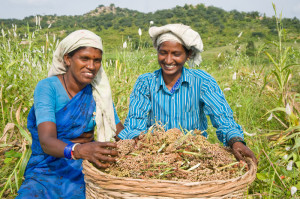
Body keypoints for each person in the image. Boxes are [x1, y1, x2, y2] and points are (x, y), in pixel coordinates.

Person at [117, 24, 257, 164]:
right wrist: (137, 142)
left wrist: (236, 141)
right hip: (155, 156)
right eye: (163, 52)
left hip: (193, 155)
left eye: (176, 54)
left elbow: (223, 117)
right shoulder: (146, 83)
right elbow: (135, 123)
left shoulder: (202, 81)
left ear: (188, 55)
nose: (168, 60)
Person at [17, 30, 124, 198]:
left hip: (85, 167)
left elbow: (118, 130)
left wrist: (143, 145)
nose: (91, 66)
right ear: (67, 59)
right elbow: (46, 141)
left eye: (97, 61)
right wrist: (79, 150)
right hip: (46, 168)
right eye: (85, 58)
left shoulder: (98, 93)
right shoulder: (48, 88)